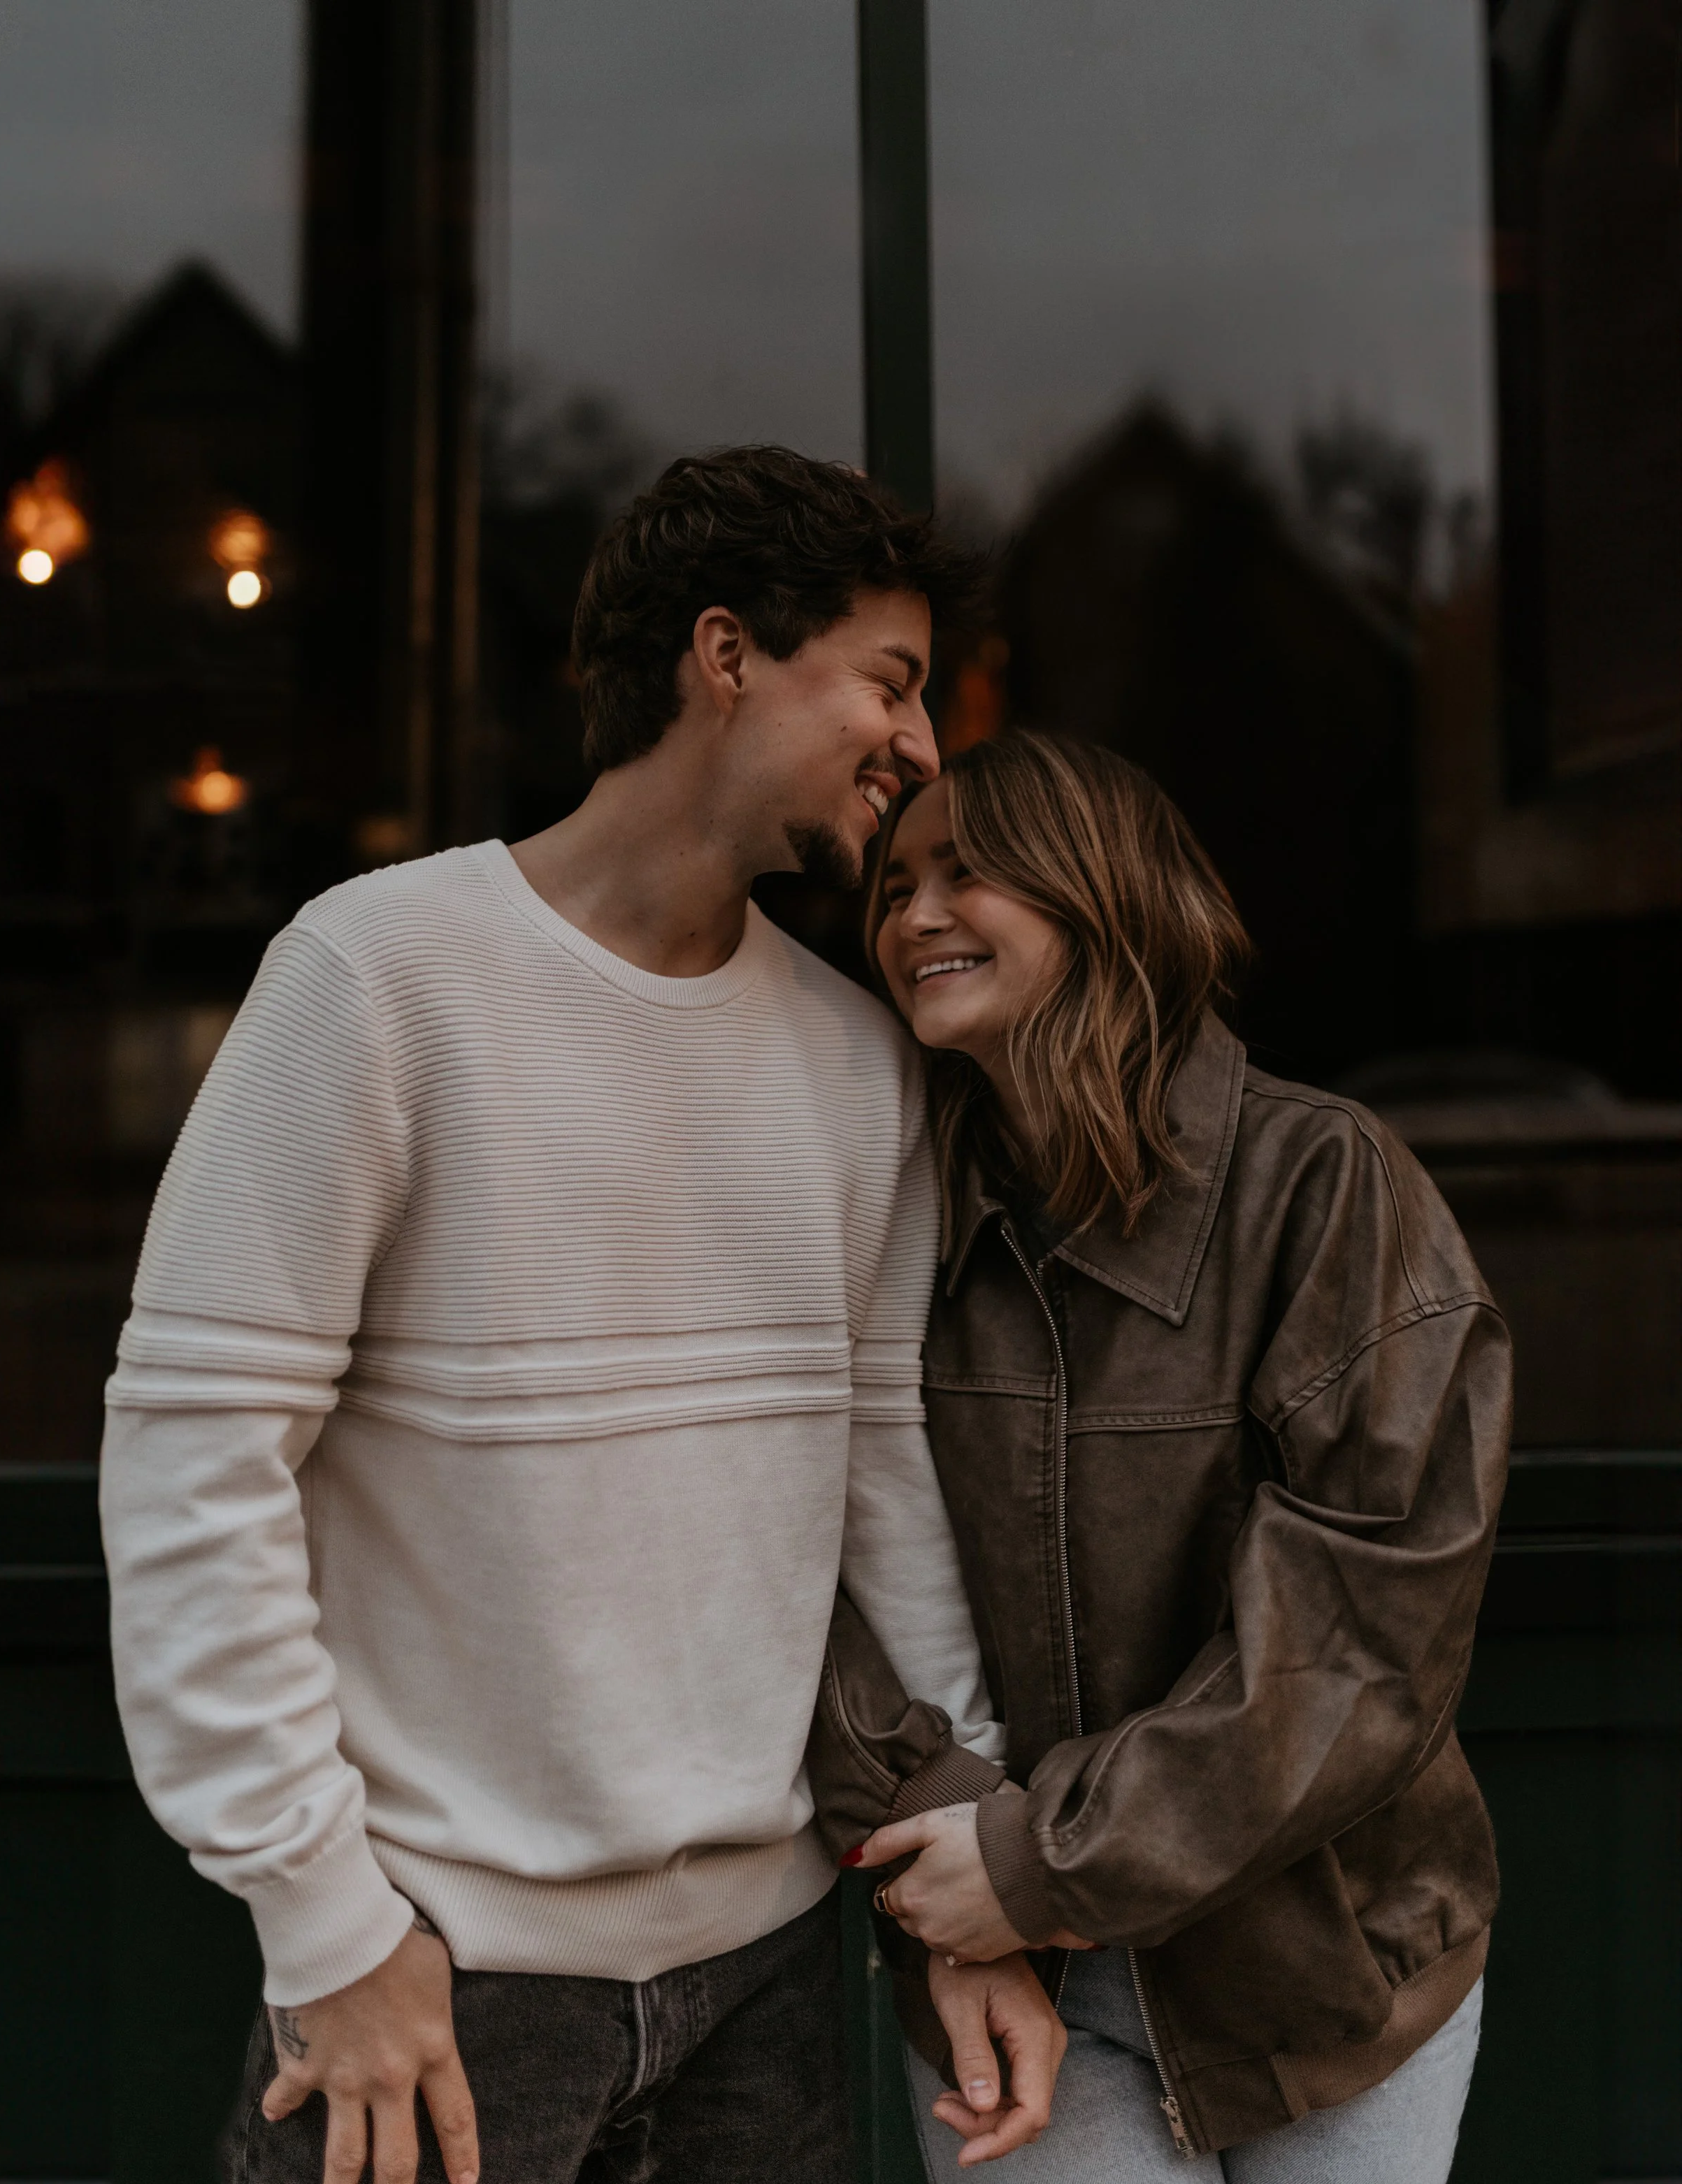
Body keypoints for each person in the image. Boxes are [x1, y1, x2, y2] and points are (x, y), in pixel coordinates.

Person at [99, 449, 1067, 2184]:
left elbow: (888, 1500)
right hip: (440, 1988)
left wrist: (961, 1872)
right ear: (723, 654)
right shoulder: (374, 975)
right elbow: (195, 1463)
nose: (920, 747)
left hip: (766, 1987)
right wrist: (325, 1925)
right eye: (889, 681)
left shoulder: (857, 1060)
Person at [821, 731, 1510, 2180]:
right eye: (894, 886)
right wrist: (938, 1843)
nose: (914, 916)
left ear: (1106, 896)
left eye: (970, 871)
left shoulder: (1319, 1185)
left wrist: (1040, 1863)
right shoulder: (879, 1208)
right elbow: (789, 1547)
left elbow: (1362, 1624)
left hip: (1329, 1975)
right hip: (1013, 1985)